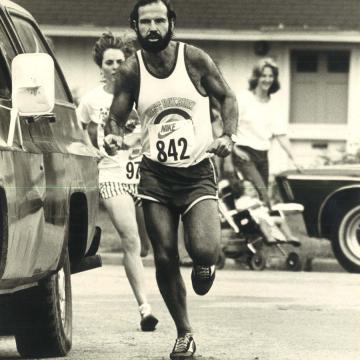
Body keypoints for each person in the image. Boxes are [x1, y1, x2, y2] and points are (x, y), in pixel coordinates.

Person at [103, 1, 238, 358]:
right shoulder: (131, 71)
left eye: (159, 20)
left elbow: (226, 97)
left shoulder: (194, 60)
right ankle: (184, 332)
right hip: (155, 176)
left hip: (196, 172)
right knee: (164, 257)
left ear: (171, 23)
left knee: (204, 248)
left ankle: (206, 262)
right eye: (145, 21)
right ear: (134, 26)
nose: (153, 28)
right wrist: (113, 135)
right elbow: (115, 117)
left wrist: (228, 135)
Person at [76, 31, 158, 332]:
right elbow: (79, 126)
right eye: (108, 62)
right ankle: (145, 308)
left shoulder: (140, 94)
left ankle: (144, 250)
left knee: (147, 246)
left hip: (144, 174)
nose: (113, 66)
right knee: (130, 240)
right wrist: (91, 150)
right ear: (101, 65)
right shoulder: (91, 100)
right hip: (112, 175)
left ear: (127, 64)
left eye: (119, 61)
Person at [232, 57, 299, 210]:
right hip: (244, 153)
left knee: (260, 200)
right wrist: (234, 149)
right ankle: (268, 230)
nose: (267, 79)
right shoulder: (244, 98)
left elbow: (281, 134)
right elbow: (229, 124)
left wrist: (294, 158)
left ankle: (256, 232)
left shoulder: (274, 104)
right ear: (256, 77)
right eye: (263, 75)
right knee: (263, 194)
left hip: (262, 155)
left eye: (270, 76)